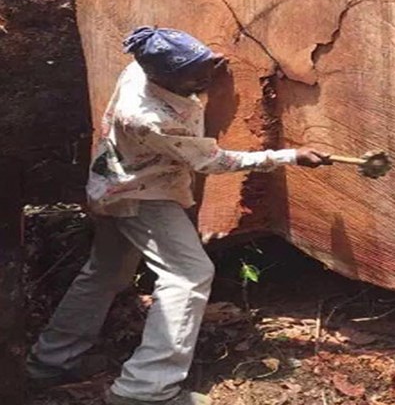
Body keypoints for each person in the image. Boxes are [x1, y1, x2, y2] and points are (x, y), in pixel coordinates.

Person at [27, 26, 330, 405]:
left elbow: (185, 63)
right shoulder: (149, 117)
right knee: (188, 275)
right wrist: (287, 156)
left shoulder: (144, 63)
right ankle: (145, 389)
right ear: (160, 76)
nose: (205, 79)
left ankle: (49, 361)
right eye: (193, 75)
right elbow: (212, 160)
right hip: (141, 195)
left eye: (202, 67)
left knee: (105, 272)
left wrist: (201, 66)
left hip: (112, 182)